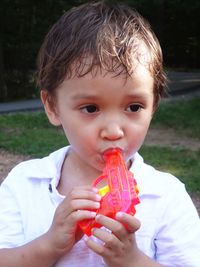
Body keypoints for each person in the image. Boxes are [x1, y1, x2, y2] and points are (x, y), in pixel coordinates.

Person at [0, 1, 199, 266]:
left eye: (134, 107)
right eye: (91, 108)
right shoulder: (26, 184)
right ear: (52, 107)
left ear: (153, 106)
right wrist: (48, 245)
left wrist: (133, 261)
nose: (114, 131)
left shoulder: (166, 196)